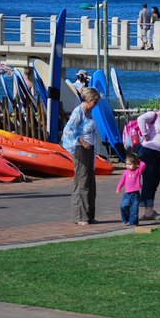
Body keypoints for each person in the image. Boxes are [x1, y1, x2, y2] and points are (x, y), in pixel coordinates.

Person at [61, 86, 100, 225]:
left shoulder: (89, 112)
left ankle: (89, 215)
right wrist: (81, 140)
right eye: (95, 102)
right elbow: (68, 131)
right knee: (82, 182)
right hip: (80, 149)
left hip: (90, 149)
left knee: (90, 182)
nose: (96, 105)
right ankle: (80, 216)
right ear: (89, 100)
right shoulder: (79, 112)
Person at [136, 95, 160, 221]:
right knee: (148, 181)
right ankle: (148, 211)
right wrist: (145, 133)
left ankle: (149, 209)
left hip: (159, 154)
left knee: (155, 182)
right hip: (147, 151)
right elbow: (140, 119)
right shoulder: (153, 116)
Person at [116, 152, 146, 226]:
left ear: (135, 164)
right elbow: (122, 181)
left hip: (135, 194)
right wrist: (119, 187)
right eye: (127, 164)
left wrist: (137, 159)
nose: (128, 166)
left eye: (130, 164)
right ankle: (125, 219)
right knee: (123, 206)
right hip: (127, 194)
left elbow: (143, 164)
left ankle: (133, 222)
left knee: (134, 209)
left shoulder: (138, 171)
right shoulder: (126, 172)